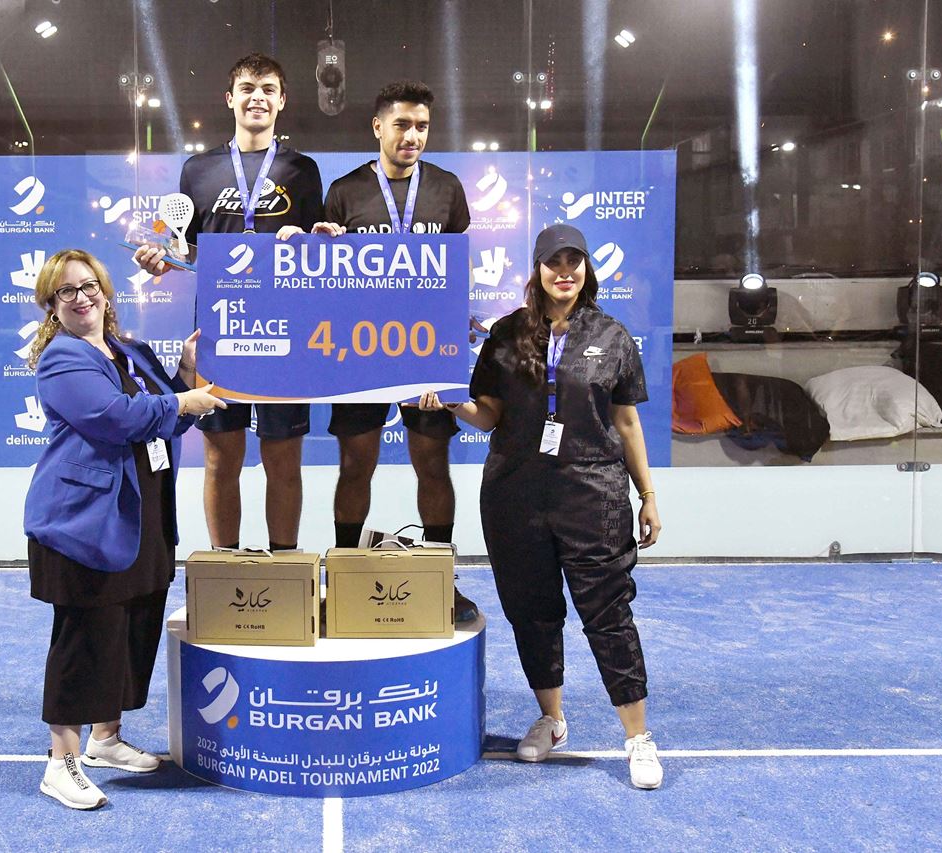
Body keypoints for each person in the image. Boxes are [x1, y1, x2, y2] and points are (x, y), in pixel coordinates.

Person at [419, 223, 665, 789]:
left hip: (594, 494)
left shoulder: (613, 334)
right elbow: (489, 415)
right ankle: (551, 719)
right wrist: (452, 401)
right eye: (554, 262)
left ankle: (637, 736)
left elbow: (626, 423)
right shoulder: (506, 335)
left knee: (608, 614)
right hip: (515, 493)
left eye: (574, 262)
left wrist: (647, 495)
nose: (565, 272)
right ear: (537, 270)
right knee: (531, 610)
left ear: (586, 270)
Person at [23, 249, 225, 809]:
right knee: (85, 636)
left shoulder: (129, 350)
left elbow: (171, 414)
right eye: (66, 292)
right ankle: (59, 762)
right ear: (51, 304)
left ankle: (104, 740)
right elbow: (115, 418)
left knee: (131, 626)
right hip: (84, 521)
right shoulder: (61, 359)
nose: (82, 297)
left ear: (107, 292)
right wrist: (182, 396)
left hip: (144, 510)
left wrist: (185, 373)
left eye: (89, 286)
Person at [134, 52, 324, 553]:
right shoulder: (198, 169)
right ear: (230, 99)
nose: (256, 97)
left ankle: (284, 568)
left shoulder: (302, 170)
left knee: (283, 458)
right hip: (221, 329)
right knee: (221, 456)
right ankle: (225, 568)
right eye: (247, 88)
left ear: (282, 101)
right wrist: (162, 259)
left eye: (267, 89)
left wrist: (307, 238)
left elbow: (319, 248)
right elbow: (185, 246)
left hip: (287, 328)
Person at [316, 79, 477, 620]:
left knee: (432, 465)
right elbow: (324, 275)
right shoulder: (344, 191)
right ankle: (339, 575)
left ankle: (440, 577)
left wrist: (451, 349)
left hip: (426, 351)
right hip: (359, 353)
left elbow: (454, 275)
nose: (413, 135)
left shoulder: (448, 189)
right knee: (354, 465)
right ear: (378, 127)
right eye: (403, 125)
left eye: (422, 126)